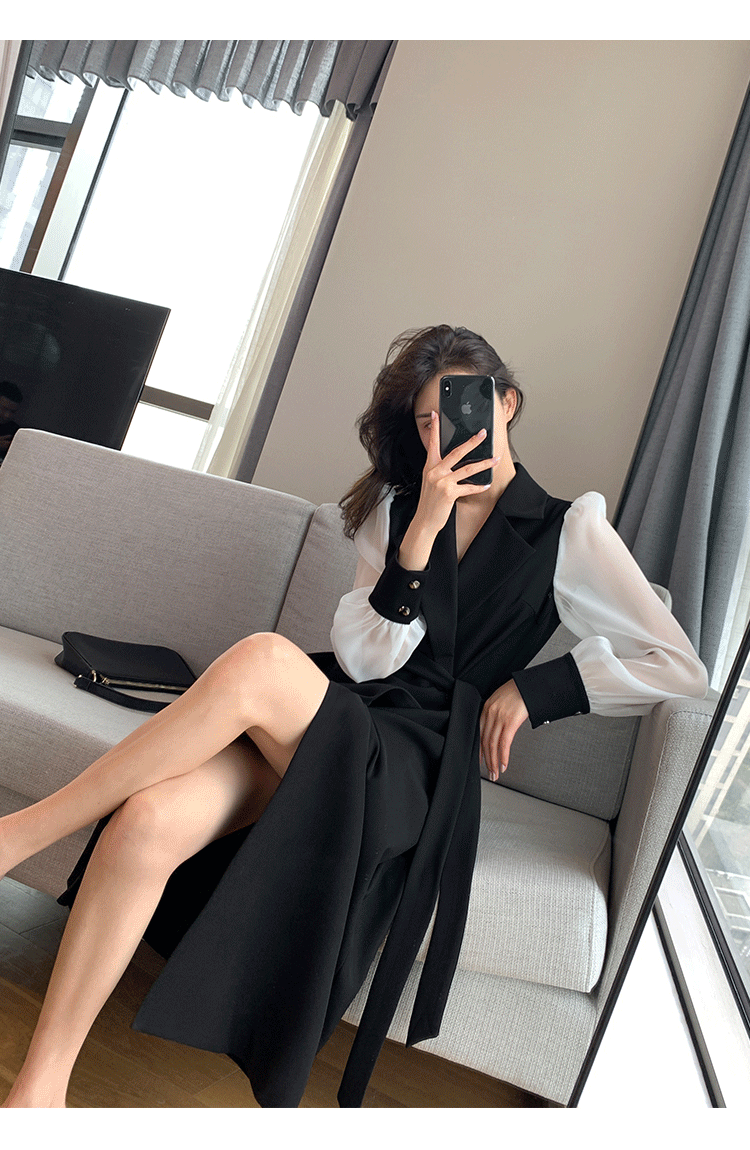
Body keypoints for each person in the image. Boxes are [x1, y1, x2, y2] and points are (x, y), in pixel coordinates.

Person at [0, 325, 708, 1109]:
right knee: (148, 822)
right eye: (426, 420)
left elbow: (677, 664)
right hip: (339, 716)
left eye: (462, 407)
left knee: (264, 658)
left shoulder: (569, 529)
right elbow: (366, 662)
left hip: (418, 757)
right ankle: (39, 1093)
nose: (443, 433)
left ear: (506, 403)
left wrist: (533, 691)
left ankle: (19, 834)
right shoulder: (399, 509)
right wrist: (422, 535)